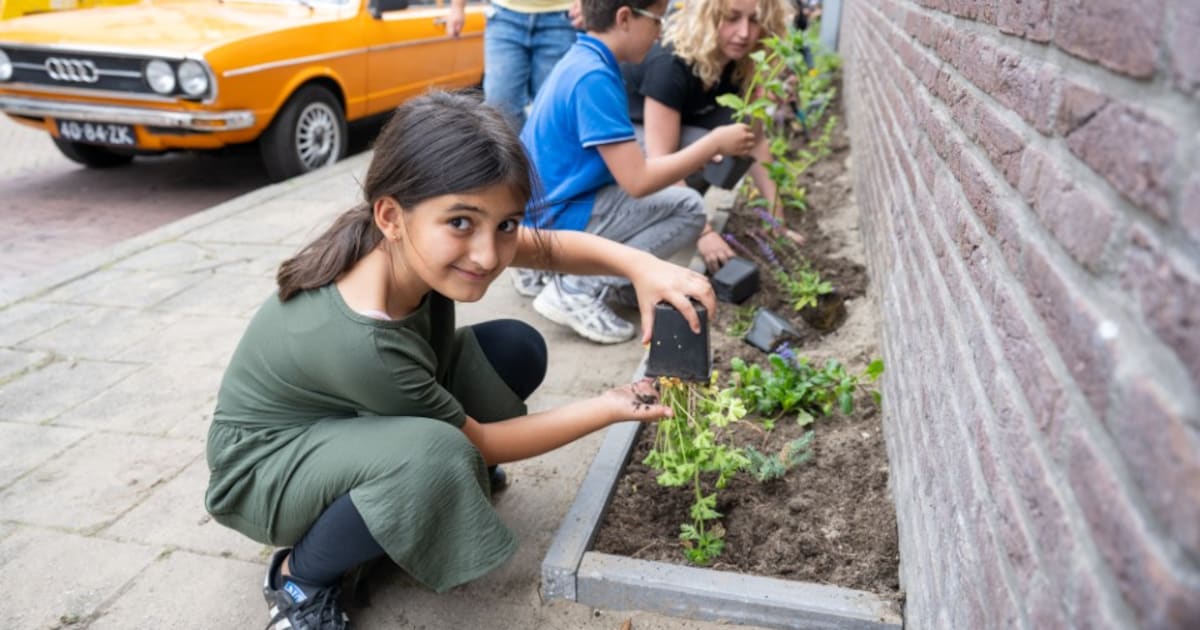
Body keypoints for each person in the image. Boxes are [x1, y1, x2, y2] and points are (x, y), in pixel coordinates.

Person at [203, 91, 715, 630]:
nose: (489, 255)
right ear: (391, 215)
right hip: (264, 470)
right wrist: (611, 406)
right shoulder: (366, 335)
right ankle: (299, 579)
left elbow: (546, 248)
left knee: (515, 347)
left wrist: (641, 266)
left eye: (505, 224)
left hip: (346, 418)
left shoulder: (407, 240)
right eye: (462, 224)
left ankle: (412, 494)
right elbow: (483, 442)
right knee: (439, 453)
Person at [516, 0, 756, 344]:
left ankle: (622, 281)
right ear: (624, 18)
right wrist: (713, 144)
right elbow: (638, 181)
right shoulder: (595, 77)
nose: (660, 34)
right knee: (688, 207)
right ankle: (575, 289)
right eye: (656, 22)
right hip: (558, 216)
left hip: (549, 206)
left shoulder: (584, 59)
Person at [622, 0, 799, 272]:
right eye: (731, 18)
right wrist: (703, 233)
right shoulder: (672, 62)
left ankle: (677, 209)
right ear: (707, 16)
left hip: (671, 140)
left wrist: (777, 222)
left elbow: (757, 142)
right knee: (706, 145)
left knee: (735, 139)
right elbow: (661, 157)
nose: (744, 33)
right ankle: (651, 219)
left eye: (754, 20)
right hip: (625, 147)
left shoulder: (739, 64)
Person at [448, 0, 581, 131]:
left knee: (552, 109)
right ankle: (518, 151)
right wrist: (457, 6)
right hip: (504, 17)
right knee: (500, 107)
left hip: (562, 17)